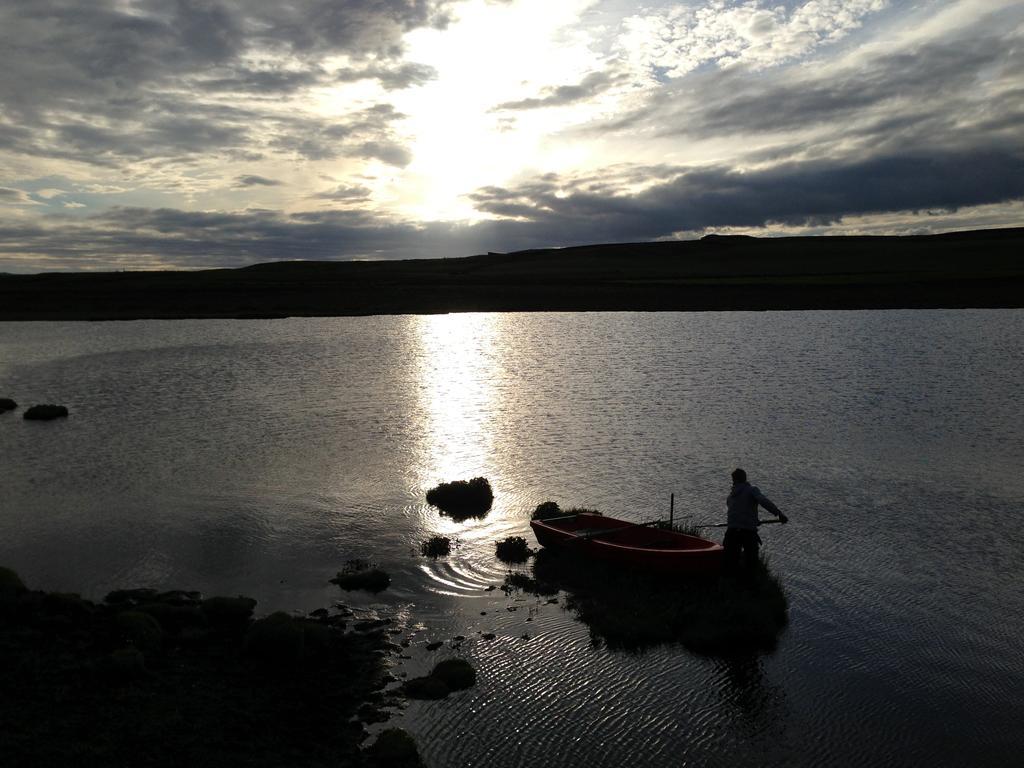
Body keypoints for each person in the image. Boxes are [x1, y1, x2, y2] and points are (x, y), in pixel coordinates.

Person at [724, 468, 787, 579]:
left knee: (730, 562)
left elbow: (736, 513)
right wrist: (778, 513)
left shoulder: (730, 496)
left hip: (732, 531)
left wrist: (753, 521)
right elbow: (763, 501)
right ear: (745, 478)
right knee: (751, 563)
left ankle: (731, 584)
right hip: (748, 533)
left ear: (734, 480)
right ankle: (749, 587)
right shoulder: (751, 490)